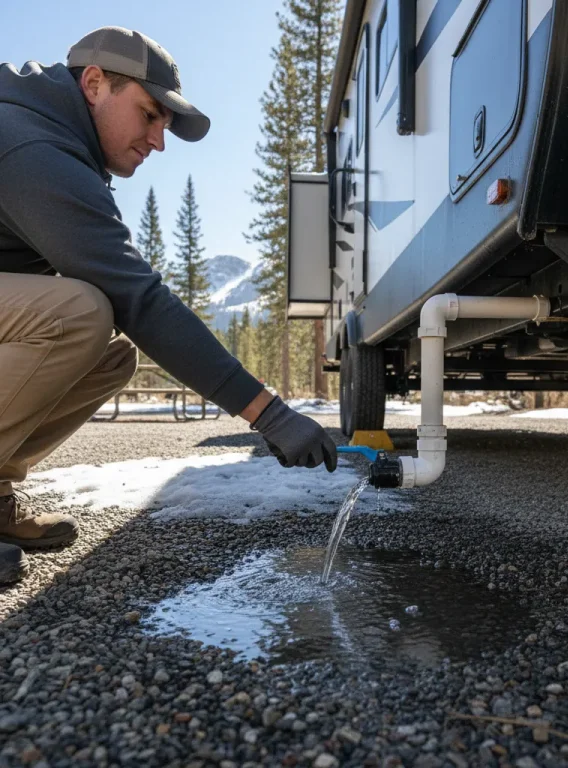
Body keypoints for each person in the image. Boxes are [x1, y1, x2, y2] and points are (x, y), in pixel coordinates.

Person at [0, 26, 337, 585]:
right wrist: (268, 413)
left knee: (109, 354)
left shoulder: (53, 138)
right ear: (93, 84)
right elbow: (140, 297)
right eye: (150, 114)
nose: (159, 140)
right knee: (78, 313)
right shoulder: (32, 145)